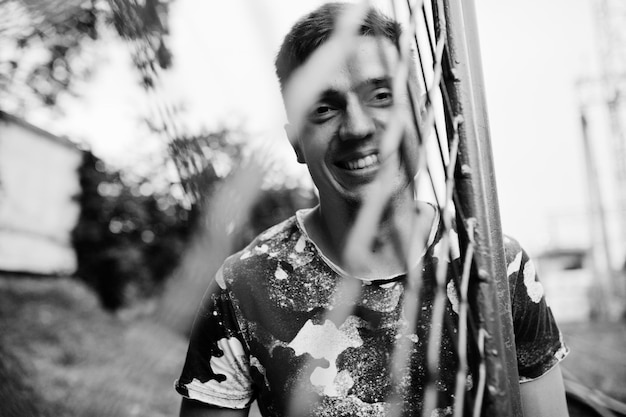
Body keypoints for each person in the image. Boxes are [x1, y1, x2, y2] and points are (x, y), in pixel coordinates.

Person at [175, 3, 570, 416]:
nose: (359, 127)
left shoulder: (495, 268)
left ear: (420, 115)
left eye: (381, 96)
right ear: (295, 142)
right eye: (324, 108)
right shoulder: (244, 286)